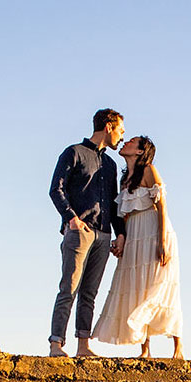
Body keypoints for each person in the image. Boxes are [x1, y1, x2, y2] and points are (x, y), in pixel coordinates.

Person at [92, 136, 183, 359]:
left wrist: (162, 241)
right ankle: (145, 348)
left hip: (153, 230)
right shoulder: (124, 180)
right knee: (137, 285)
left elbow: (162, 206)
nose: (125, 143)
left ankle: (178, 347)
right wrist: (121, 238)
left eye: (131, 142)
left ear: (141, 151)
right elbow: (121, 215)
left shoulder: (149, 170)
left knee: (160, 284)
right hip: (134, 233)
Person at [48, 109, 127, 357]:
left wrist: (120, 233)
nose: (122, 137)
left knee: (89, 293)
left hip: (103, 234)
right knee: (69, 288)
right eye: (120, 131)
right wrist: (71, 218)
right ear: (108, 126)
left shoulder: (111, 164)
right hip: (79, 230)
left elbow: (114, 204)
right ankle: (56, 344)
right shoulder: (73, 153)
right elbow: (56, 189)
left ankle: (83, 346)